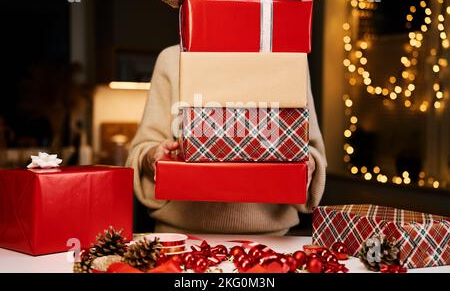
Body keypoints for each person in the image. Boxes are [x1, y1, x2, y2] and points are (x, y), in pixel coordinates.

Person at [126, 45, 327, 235]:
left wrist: (306, 165)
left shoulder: (288, 59)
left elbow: (314, 153)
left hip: (272, 240)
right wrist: (154, 157)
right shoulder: (171, 58)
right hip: (178, 236)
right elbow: (141, 151)